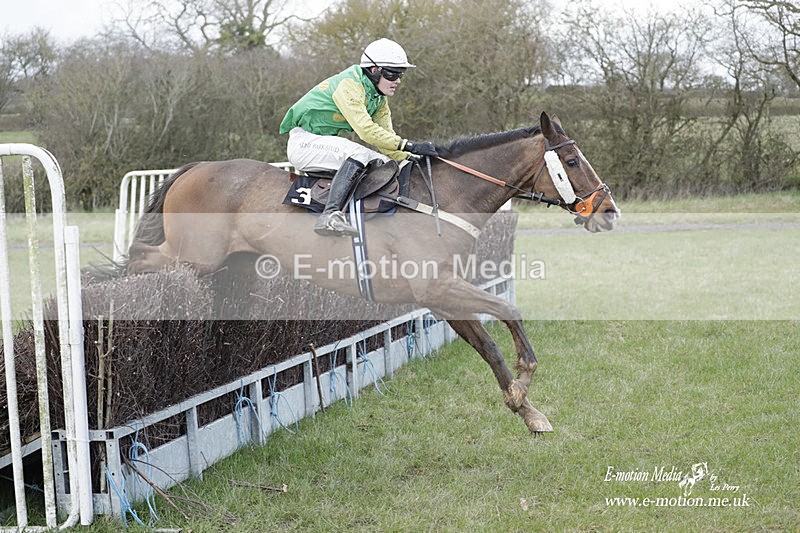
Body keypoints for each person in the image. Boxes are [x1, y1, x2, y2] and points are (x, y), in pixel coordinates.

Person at [279, 38, 438, 237]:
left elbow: (388, 142)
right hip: (304, 143)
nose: (398, 80)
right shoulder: (349, 85)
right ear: (374, 70)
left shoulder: (378, 99)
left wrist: (411, 158)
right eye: (393, 73)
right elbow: (366, 131)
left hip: (323, 144)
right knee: (357, 152)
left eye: (401, 74)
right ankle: (330, 215)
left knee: (387, 163)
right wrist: (410, 145)